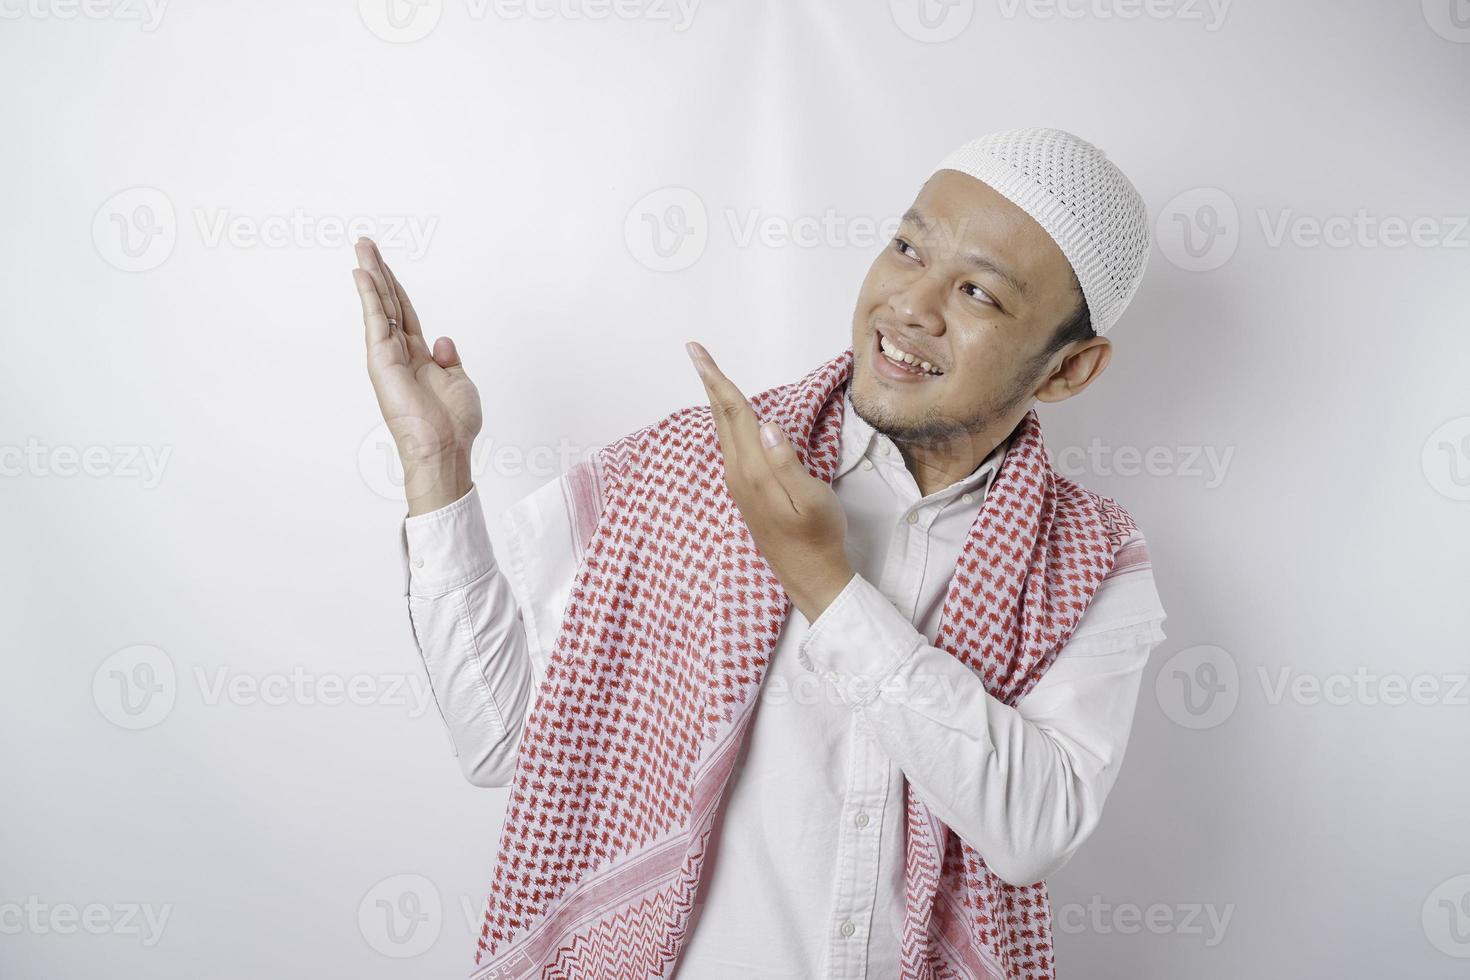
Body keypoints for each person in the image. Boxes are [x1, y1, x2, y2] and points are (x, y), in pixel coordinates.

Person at [352, 127, 1168, 980]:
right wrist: (436, 466)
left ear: (1070, 370)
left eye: (977, 292)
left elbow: (1035, 832)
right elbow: (503, 741)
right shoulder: (697, 468)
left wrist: (822, 579)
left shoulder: (1092, 558)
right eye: (906, 247)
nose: (910, 306)